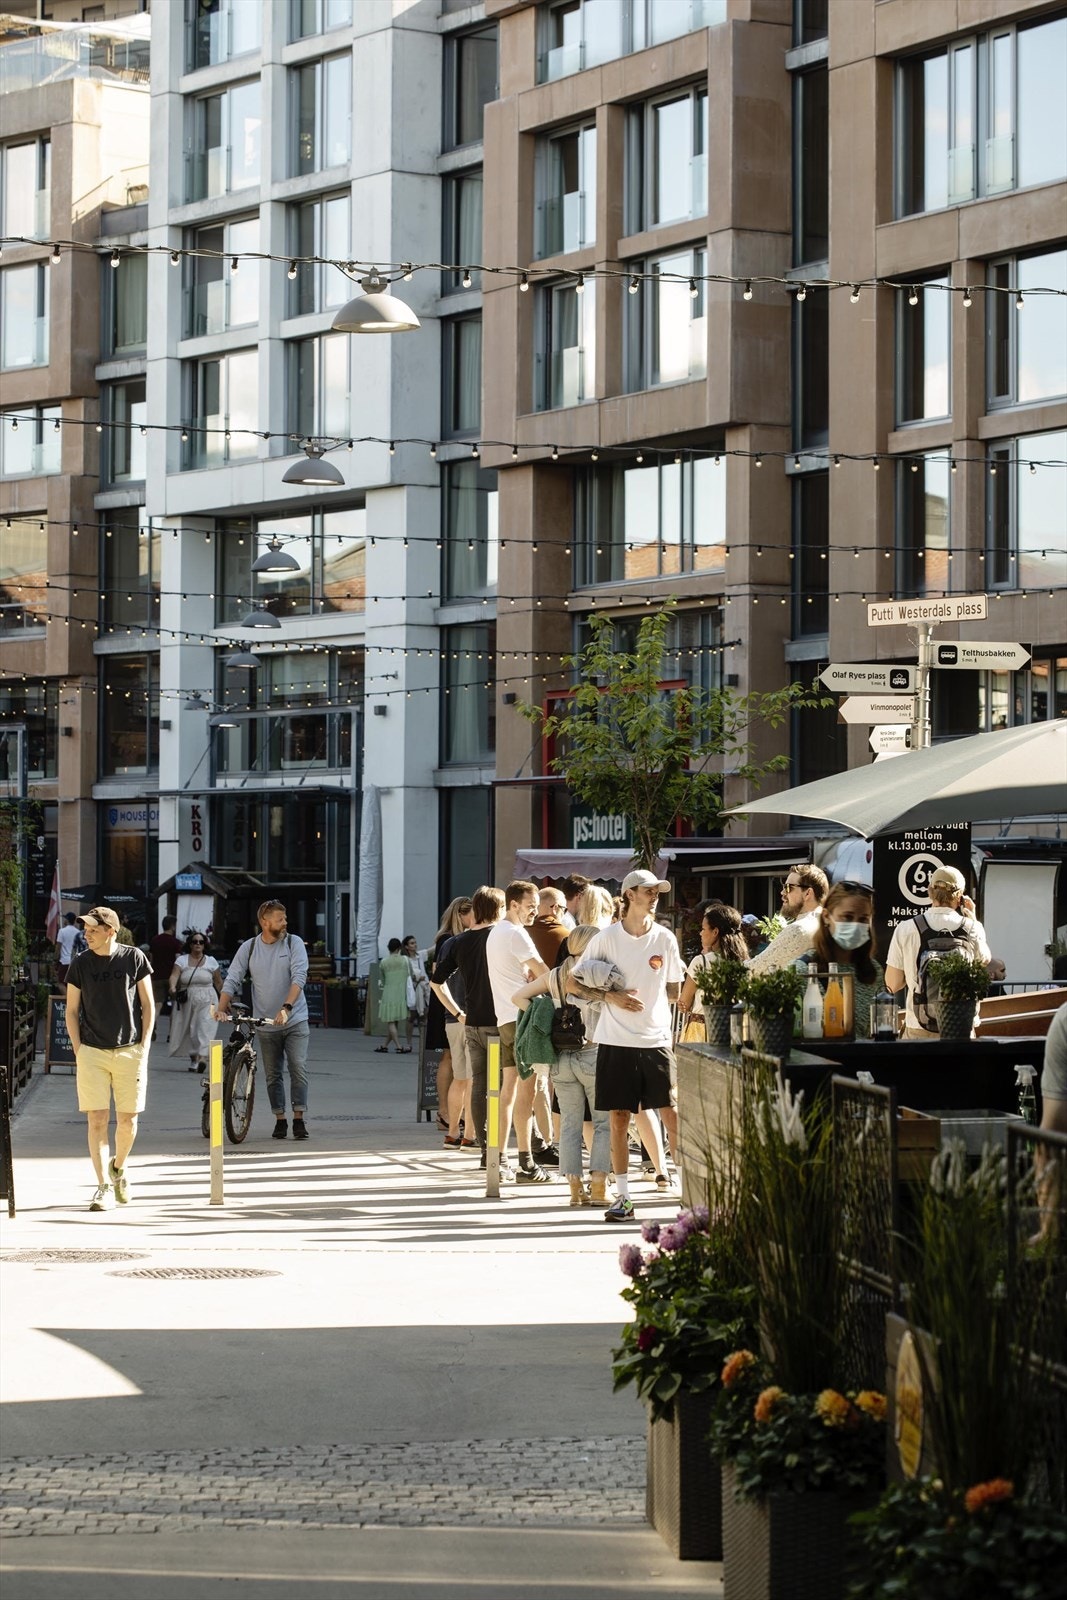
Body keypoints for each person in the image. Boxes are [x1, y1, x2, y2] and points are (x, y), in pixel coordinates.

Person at [572, 869, 685, 1223]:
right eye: (648, 891)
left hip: (655, 1039)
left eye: (657, 891)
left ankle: (689, 1189)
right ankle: (623, 1197)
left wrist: (658, 1012)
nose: (655, 896)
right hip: (615, 1040)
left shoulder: (665, 938)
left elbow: (674, 989)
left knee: (670, 1113)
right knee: (619, 1118)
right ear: (629, 895)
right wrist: (613, 996)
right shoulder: (606, 938)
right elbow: (576, 982)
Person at [512, 924, 613, 1207]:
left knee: (570, 1125)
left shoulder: (556, 974)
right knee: (602, 1124)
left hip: (561, 1058)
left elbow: (518, 997)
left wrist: (543, 1011)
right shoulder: (598, 972)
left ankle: (574, 1189)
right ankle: (600, 1188)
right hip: (594, 1052)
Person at [64, 906, 155, 1212]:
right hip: (92, 1051)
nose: (86, 934)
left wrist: (143, 1047)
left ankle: (118, 1166)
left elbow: (148, 1006)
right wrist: (79, 1050)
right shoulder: (80, 963)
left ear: (110, 931)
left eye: (92, 929)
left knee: (129, 1121)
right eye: (85, 929)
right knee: (97, 1120)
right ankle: (103, 1185)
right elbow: (72, 1011)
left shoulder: (134, 958)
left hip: (129, 1049)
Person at [217, 899, 310, 1140]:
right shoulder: (249, 948)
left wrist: (287, 1008)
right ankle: (280, 1118)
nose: (285, 923)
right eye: (280, 919)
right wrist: (221, 1007)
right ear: (264, 922)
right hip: (265, 1023)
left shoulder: (293, 943)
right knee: (272, 1074)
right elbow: (233, 977)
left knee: (297, 1067)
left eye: (285, 918)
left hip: (295, 1018)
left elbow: (299, 976)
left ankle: (299, 1117)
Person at [431, 885, 505, 1162]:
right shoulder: (495, 938)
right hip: (485, 1019)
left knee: (466, 1080)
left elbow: (435, 981)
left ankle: (458, 1134)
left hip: (462, 1019)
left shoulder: (450, 943)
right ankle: (477, 1140)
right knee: (485, 1084)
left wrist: (457, 1012)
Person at [485, 880, 550, 1181]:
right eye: (530, 906)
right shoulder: (516, 934)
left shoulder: (496, 933)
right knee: (529, 1089)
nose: (534, 912)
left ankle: (500, 1157)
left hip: (504, 1017)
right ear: (513, 904)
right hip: (525, 1016)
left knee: (508, 1089)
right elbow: (545, 974)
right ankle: (526, 1159)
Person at [884, 865, 991, 1040]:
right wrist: (973, 918)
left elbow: (892, 984)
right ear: (960, 897)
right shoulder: (972, 928)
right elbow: (984, 961)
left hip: (917, 1027)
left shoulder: (907, 928)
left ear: (929, 892)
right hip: (961, 1029)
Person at [798, 882, 883, 1038]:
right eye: (847, 917)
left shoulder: (873, 971)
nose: (855, 925)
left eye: (863, 919)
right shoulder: (804, 971)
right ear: (826, 917)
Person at [425, 897, 474, 1135]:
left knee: (454, 1060)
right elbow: (438, 974)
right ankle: (445, 1112)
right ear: (461, 915)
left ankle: (452, 1113)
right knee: (449, 1059)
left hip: (446, 1001)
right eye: (471, 914)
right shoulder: (449, 939)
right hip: (447, 1002)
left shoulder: (450, 938)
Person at [747, 864, 829, 975]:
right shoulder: (825, 924)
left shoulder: (799, 929)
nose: (782, 893)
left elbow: (753, 970)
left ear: (808, 893)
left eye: (788, 888)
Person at [678, 904, 748, 1019]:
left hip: (702, 1029)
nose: (700, 933)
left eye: (703, 929)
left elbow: (684, 1003)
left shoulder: (701, 962)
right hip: (733, 1027)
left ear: (715, 932)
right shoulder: (743, 963)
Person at [167, 930, 223, 1073]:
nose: (198, 944)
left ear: (205, 945)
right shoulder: (182, 960)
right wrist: (172, 987)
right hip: (187, 999)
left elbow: (218, 982)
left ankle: (203, 1057)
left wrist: (225, 1001)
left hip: (209, 999)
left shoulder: (211, 961)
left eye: (201, 942)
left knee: (206, 1025)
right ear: (190, 945)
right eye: (195, 942)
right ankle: (194, 1058)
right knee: (191, 1029)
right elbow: (174, 975)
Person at [149, 915, 184, 1039]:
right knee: (175, 1006)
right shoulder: (176, 942)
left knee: (157, 1005)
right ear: (173, 926)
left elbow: (151, 960)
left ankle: (151, 1028)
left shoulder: (155, 940)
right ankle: (171, 1034)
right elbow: (178, 960)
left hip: (157, 976)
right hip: (172, 977)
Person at [377, 938, 412, 1053]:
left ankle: (393, 1046)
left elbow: (383, 979)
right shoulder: (405, 960)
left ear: (389, 948)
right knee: (394, 1021)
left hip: (388, 993)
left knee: (391, 1022)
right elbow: (410, 974)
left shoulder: (383, 962)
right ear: (399, 948)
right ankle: (391, 1046)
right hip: (401, 993)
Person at [529, 886, 570, 968]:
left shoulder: (521, 931)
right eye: (564, 909)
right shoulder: (567, 935)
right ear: (555, 908)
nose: (564, 914)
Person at [55, 911, 81, 988]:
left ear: (67, 920)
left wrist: (55, 959)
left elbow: (58, 947)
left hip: (64, 961)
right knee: (73, 985)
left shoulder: (62, 931)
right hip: (75, 962)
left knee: (60, 983)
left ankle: (68, 999)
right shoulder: (78, 932)